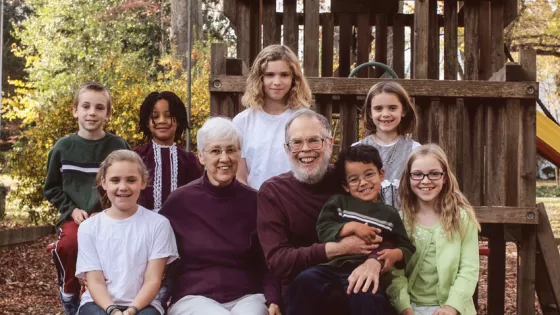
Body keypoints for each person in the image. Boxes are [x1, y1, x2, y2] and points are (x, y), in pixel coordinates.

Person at [257, 109, 386, 315]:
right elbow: (278, 261)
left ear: (329, 143)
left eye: (314, 140)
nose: (305, 149)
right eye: (296, 143)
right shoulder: (273, 193)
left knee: (367, 295)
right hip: (302, 292)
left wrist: (373, 261)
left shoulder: (349, 182)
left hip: (353, 277)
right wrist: (336, 248)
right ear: (286, 149)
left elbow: (382, 227)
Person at [159, 117, 281, 315]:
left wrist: (274, 298)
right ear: (201, 156)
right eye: (215, 151)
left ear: (240, 154)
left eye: (231, 150)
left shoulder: (256, 201)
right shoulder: (180, 202)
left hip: (248, 296)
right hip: (194, 297)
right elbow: (156, 252)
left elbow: (269, 259)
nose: (224, 158)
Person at [44, 82, 130, 315]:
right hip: (76, 217)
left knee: (116, 249)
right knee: (71, 243)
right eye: (86, 106)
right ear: (75, 110)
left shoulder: (117, 146)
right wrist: (71, 210)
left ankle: (109, 297)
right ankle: (69, 291)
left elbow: (125, 180)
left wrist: (107, 210)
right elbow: (51, 188)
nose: (92, 112)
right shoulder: (63, 147)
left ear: (107, 114)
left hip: (109, 215)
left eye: (99, 108)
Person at [314, 144, 416, 314]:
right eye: (354, 179)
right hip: (331, 267)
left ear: (381, 174)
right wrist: (351, 227)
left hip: (367, 271)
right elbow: (323, 229)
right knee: (304, 281)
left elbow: (406, 246)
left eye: (369, 174)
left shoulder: (389, 214)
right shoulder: (339, 203)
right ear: (346, 185)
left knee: (367, 297)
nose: (363, 183)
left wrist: (394, 254)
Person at [76, 150, 178, 315]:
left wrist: (131, 311)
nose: (123, 187)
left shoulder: (158, 224)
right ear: (104, 182)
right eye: (115, 180)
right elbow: (95, 282)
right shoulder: (89, 228)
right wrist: (113, 311)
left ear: (143, 182)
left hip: (144, 304)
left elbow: (153, 280)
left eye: (131, 180)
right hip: (99, 304)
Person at [387, 144, 480, 315]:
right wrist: (405, 309)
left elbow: (469, 269)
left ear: (444, 177)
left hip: (453, 308)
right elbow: (395, 273)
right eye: (417, 174)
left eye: (434, 173)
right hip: (409, 308)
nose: (425, 180)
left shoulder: (462, 218)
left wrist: (451, 308)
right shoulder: (400, 221)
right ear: (408, 178)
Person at [233, 44, 312, 190]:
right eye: (270, 75)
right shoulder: (242, 122)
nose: (277, 82)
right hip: (254, 202)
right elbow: (239, 176)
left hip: (295, 201)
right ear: (259, 78)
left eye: (284, 75)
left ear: (294, 78)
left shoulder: (305, 119)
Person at [354, 81, 420, 209]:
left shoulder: (415, 150)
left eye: (392, 108)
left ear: (404, 110)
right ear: (369, 112)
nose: (385, 114)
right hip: (368, 220)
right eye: (378, 108)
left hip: (406, 222)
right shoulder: (357, 150)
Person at [134, 91, 202, 211]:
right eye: (155, 116)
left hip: (180, 225)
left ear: (179, 119)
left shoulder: (190, 161)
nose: (162, 121)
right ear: (146, 122)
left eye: (169, 116)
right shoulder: (136, 157)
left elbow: (196, 198)